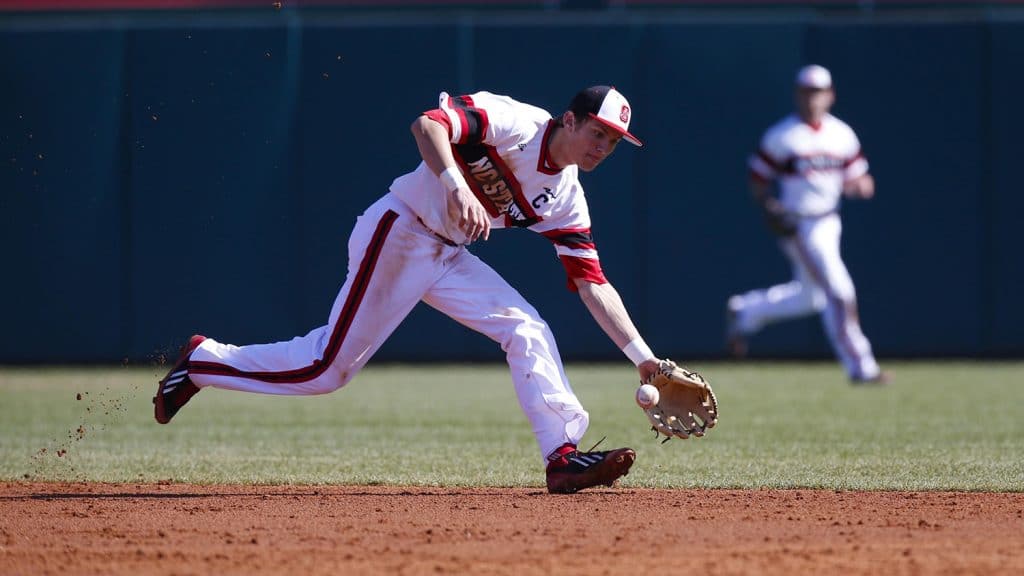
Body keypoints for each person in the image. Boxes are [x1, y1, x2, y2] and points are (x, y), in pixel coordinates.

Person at [154, 85, 669, 493]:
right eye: (598, 132)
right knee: (325, 369)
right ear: (570, 119)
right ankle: (203, 362)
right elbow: (427, 124)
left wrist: (643, 358)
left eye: (614, 141)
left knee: (526, 327)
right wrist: (454, 184)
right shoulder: (517, 123)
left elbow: (592, 283)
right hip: (401, 230)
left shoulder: (566, 198)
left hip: (447, 254)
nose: (603, 147)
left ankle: (562, 456)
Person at [725, 65, 887, 384]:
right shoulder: (782, 135)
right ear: (797, 95)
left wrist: (861, 185)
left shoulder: (841, 134)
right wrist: (770, 206)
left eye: (818, 92)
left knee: (811, 298)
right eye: (806, 92)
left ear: (830, 95)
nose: (812, 98)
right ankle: (861, 366)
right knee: (839, 291)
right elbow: (758, 179)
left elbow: (858, 175)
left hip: (829, 221)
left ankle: (746, 311)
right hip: (799, 224)